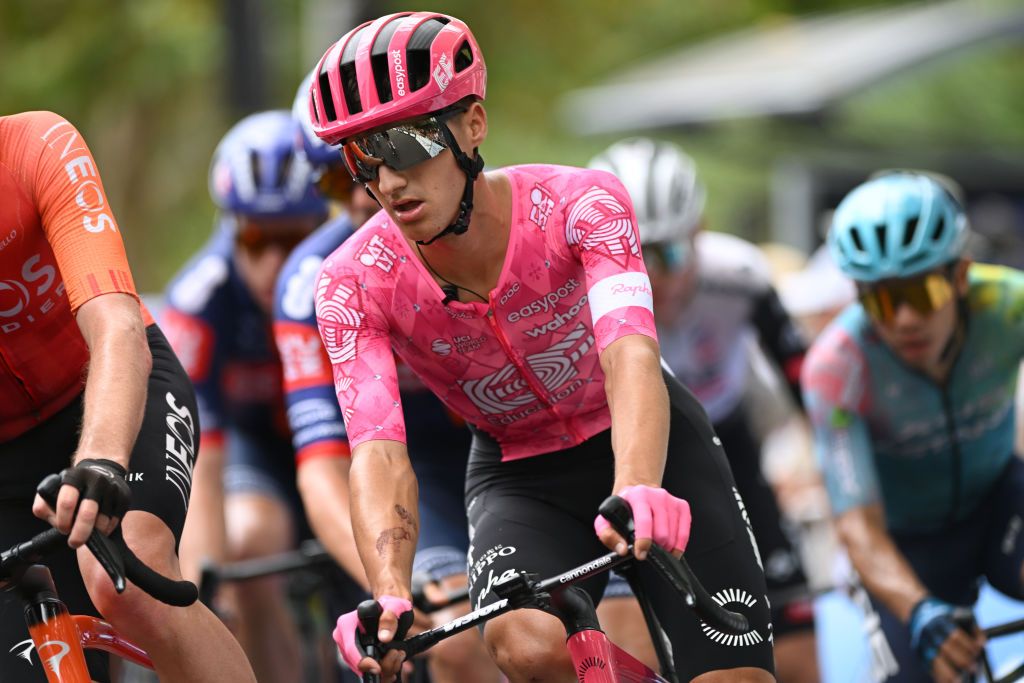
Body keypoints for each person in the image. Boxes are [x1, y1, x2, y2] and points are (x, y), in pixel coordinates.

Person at [306, 12, 775, 683]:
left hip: (644, 438)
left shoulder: (581, 205)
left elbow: (630, 355)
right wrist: (388, 592)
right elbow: (378, 449)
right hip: (517, 470)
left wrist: (639, 482)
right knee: (525, 643)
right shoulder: (352, 281)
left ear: (472, 125)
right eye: (362, 157)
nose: (388, 179)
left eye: (406, 143)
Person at [0, 111, 255, 682]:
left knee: (126, 584)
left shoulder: (36, 145)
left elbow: (116, 324)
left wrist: (100, 460)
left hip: (116, 391)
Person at [272, 72, 497, 683]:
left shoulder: (483, 216)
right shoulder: (309, 285)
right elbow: (321, 465)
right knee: (456, 635)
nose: (362, 193)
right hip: (416, 467)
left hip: (507, 439)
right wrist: (393, 589)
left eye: (390, 155)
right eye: (339, 174)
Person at [588, 138, 820, 683]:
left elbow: (807, 387)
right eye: (635, 255)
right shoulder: (581, 289)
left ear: (700, 230)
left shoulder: (740, 274)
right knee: (634, 649)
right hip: (629, 459)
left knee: (797, 659)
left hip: (728, 448)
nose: (657, 279)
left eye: (670, 253)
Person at [802, 172, 1024, 683]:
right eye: (881, 300)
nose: (903, 320)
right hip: (905, 548)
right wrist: (919, 607)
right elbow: (856, 523)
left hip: (998, 502)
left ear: (961, 275)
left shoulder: (1010, 306)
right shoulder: (836, 368)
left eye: (921, 292)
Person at [161, 110, 326, 683]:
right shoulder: (197, 302)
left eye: (293, 238)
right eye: (255, 238)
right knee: (250, 548)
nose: (273, 264)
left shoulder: (353, 273)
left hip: (346, 443)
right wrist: (207, 584)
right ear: (229, 226)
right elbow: (199, 455)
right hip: (254, 450)